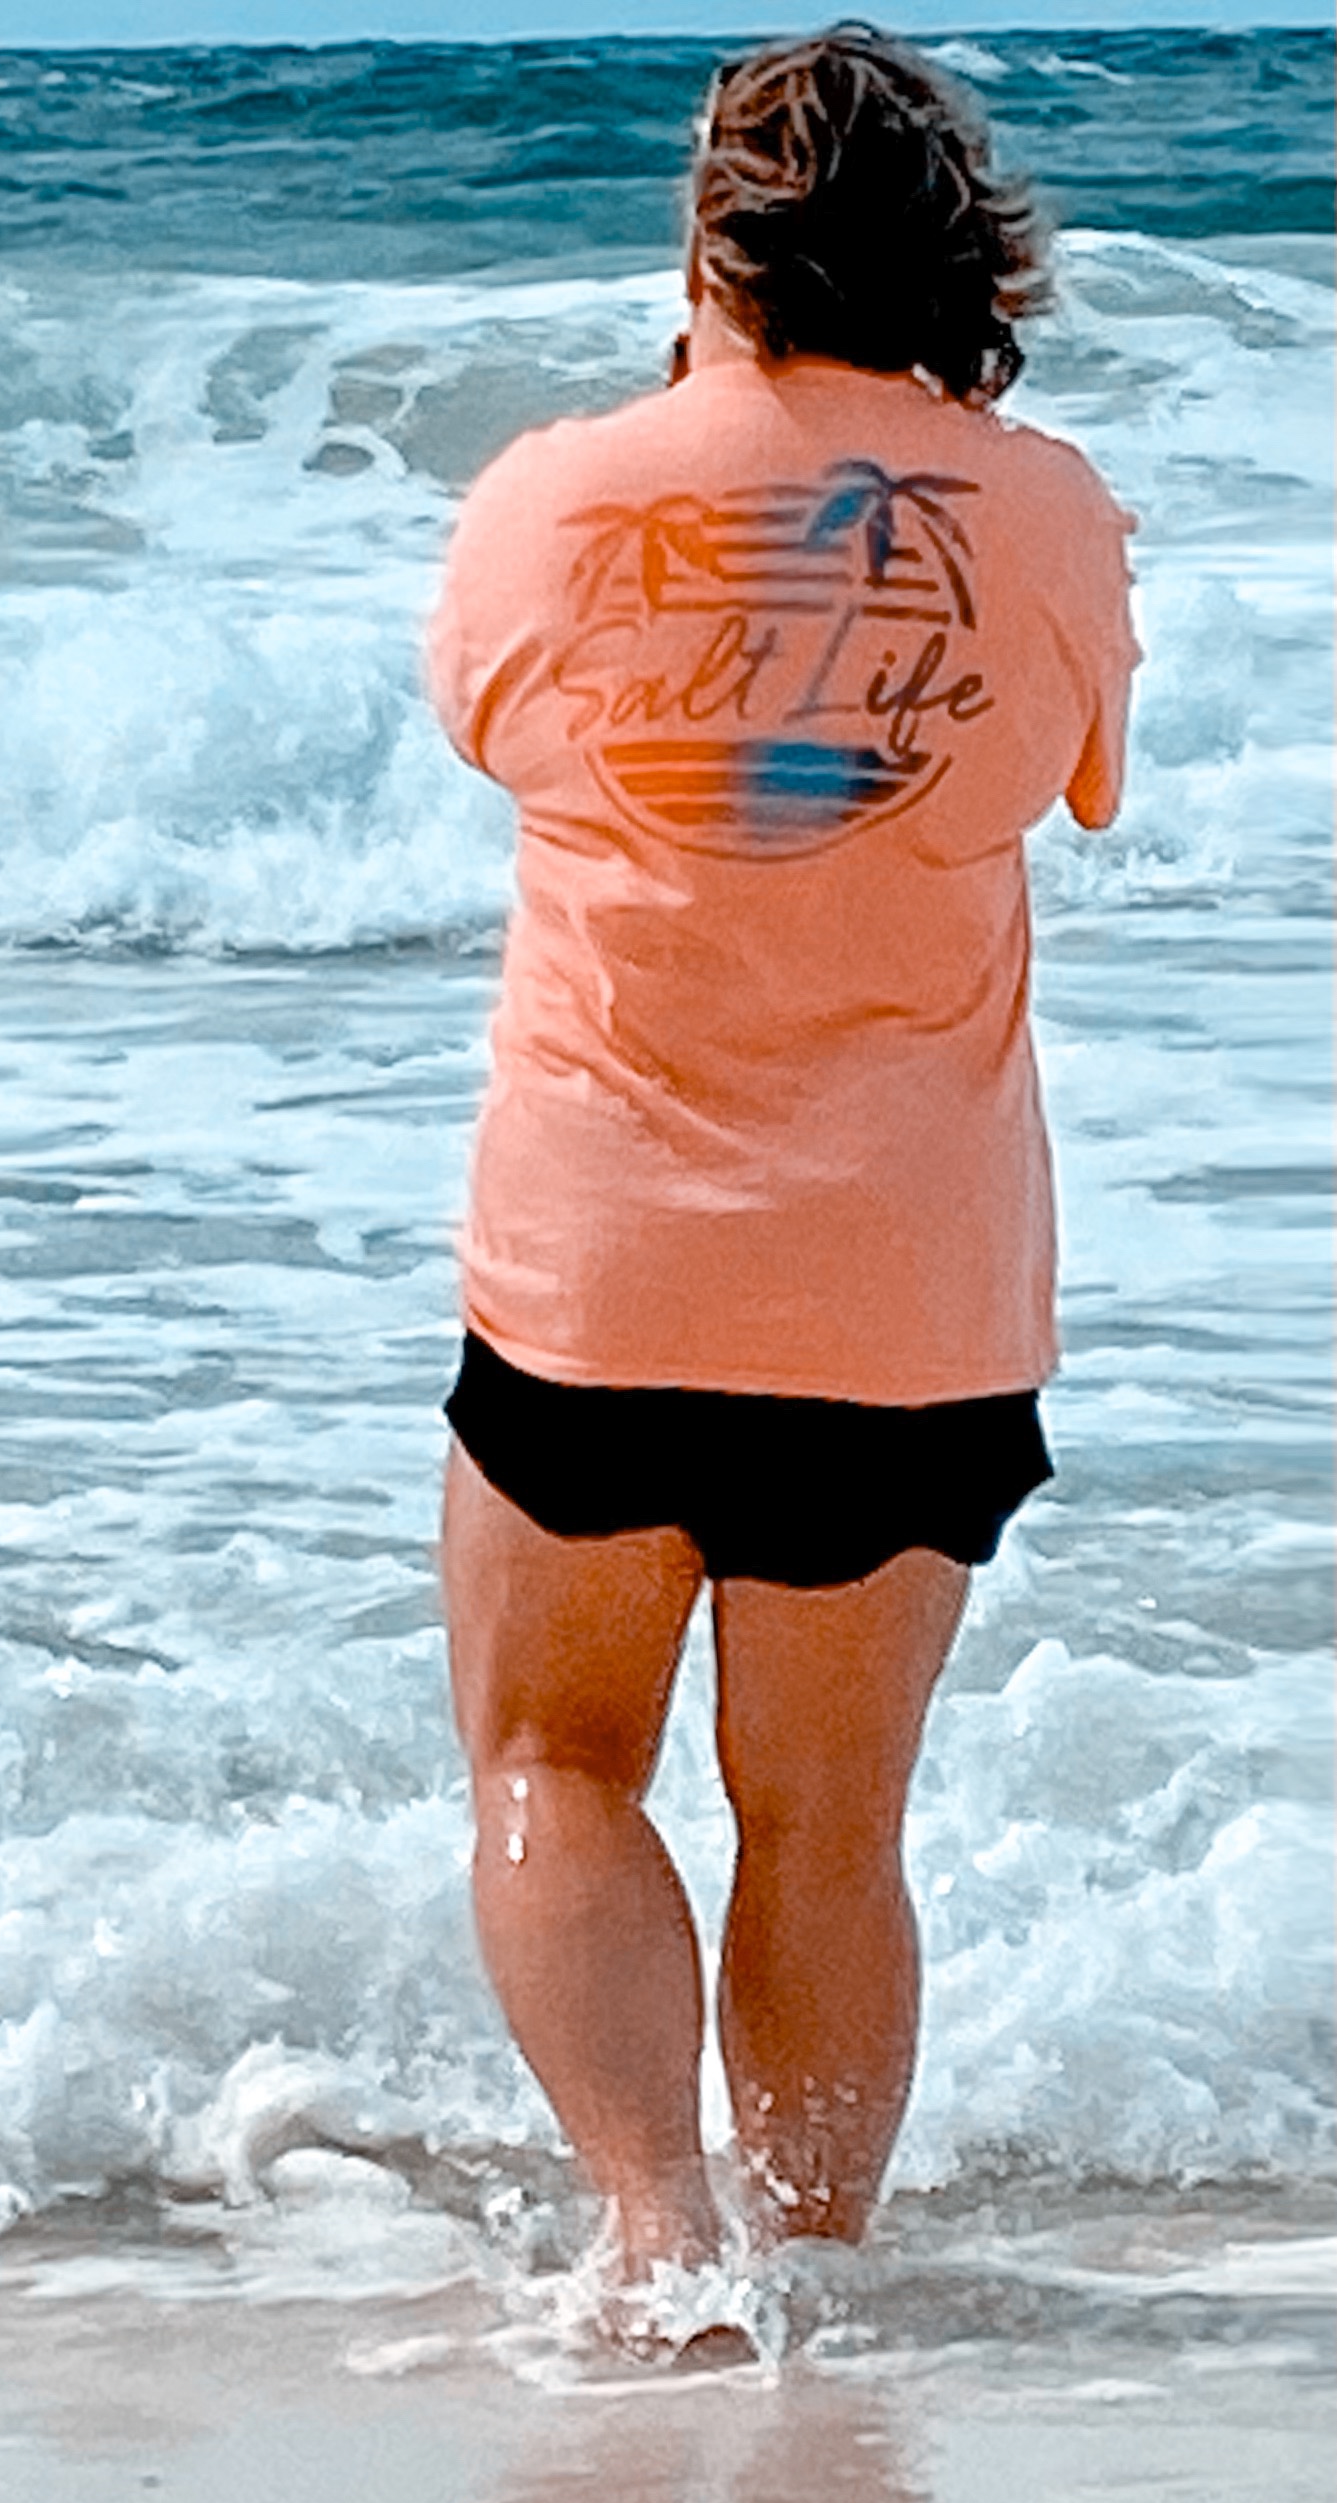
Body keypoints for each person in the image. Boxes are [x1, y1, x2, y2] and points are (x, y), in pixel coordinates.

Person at [424, 23, 1136, 2349]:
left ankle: (659, 2244)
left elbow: (490, 730)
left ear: (709, 248)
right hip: (910, 1293)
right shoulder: (1043, 512)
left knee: (554, 1762)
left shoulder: (556, 498)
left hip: (601, 1271)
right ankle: (815, 2280)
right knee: (827, 1825)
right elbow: (1077, 780)